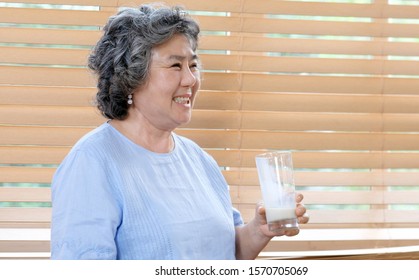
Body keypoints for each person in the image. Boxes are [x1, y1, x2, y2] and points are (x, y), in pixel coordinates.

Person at [50, 3, 308, 260]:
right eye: (176, 66)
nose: (191, 79)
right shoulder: (92, 162)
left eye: (193, 65)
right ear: (131, 78)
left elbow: (225, 252)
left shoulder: (198, 159)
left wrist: (259, 231)